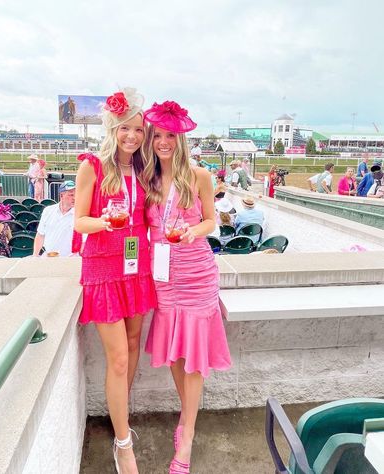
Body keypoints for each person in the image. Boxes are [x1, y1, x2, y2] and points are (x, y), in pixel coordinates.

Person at [142, 100, 231, 473]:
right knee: (176, 354)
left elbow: (212, 222)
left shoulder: (199, 176)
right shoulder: (147, 179)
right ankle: (187, 416)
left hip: (196, 273)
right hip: (163, 276)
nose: (164, 142)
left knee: (193, 356)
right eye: (158, 135)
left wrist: (193, 231)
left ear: (181, 139)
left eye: (170, 135)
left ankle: (188, 435)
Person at [74, 88, 157, 474]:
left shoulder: (143, 168)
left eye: (138, 129)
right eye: (125, 128)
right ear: (112, 128)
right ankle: (123, 444)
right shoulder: (91, 165)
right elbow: (79, 222)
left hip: (135, 263)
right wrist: (105, 221)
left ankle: (120, 418)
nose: (132, 135)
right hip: (103, 268)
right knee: (119, 357)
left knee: (134, 345)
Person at [33, 180, 77, 257]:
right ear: (61, 196)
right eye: (71, 195)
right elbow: (40, 235)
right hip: (50, 257)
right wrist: (35, 255)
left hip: (71, 259)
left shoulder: (79, 214)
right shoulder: (48, 211)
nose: (75, 198)